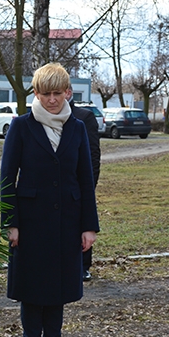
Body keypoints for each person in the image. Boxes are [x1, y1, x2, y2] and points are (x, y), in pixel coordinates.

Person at [0, 63, 99, 337]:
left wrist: (89, 226)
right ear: (36, 94)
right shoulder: (21, 126)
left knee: (57, 294)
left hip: (67, 224)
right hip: (30, 224)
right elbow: (6, 178)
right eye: (46, 94)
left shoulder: (78, 127)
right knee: (32, 293)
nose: (52, 100)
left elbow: (85, 179)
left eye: (58, 93)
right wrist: (10, 223)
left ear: (68, 92)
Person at [68, 96, 100, 281]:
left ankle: (83, 265)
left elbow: (92, 153)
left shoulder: (84, 117)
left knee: (82, 220)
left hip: (80, 180)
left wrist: (91, 182)